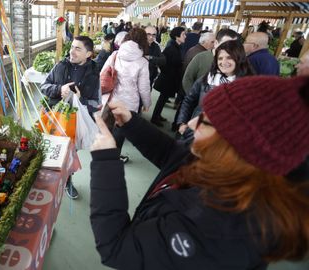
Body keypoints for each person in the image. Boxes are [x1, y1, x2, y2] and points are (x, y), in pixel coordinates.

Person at [89, 75, 309, 270]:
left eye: (206, 121)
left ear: (233, 147)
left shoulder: (221, 231)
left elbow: (118, 248)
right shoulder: (218, 162)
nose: (193, 123)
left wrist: (106, 162)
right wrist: (132, 124)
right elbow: (172, 155)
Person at [40, 36, 100, 199]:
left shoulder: (95, 74)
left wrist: (81, 99)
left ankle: (67, 181)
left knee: (69, 154)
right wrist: (60, 89)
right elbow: (44, 86)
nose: (71, 51)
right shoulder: (61, 65)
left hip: (76, 122)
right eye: (72, 47)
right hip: (55, 117)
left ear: (89, 54)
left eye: (77, 48)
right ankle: (46, 180)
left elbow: (96, 103)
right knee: (51, 149)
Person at [176, 40, 254, 139]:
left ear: (239, 58)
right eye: (220, 58)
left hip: (222, 141)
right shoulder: (208, 78)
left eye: (229, 57)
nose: (223, 62)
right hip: (194, 133)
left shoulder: (247, 86)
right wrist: (182, 123)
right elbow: (188, 100)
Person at [101, 28, 152, 164]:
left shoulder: (115, 54)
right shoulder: (142, 62)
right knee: (120, 130)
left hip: (111, 98)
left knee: (108, 126)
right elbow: (144, 87)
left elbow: (103, 73)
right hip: (129, 103)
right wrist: (147, 104)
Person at [182, 29, 239, 93]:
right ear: (216, 43)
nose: (230, 47)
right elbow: (187, 78)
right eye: (226, 43)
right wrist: (193, 97)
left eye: (234, 45)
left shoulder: (235, 60)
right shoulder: (200, 57)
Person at [151, 27, 186, 127]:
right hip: (167, 78)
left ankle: (157, 115)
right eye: (183, 34)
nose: (185, 36)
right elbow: (163, 63)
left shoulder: (177, 46)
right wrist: (168, 73)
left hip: (171, 78)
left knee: (163, 98)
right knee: (162, 99)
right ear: (176, 36)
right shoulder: (171, 48)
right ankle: (154, 118)